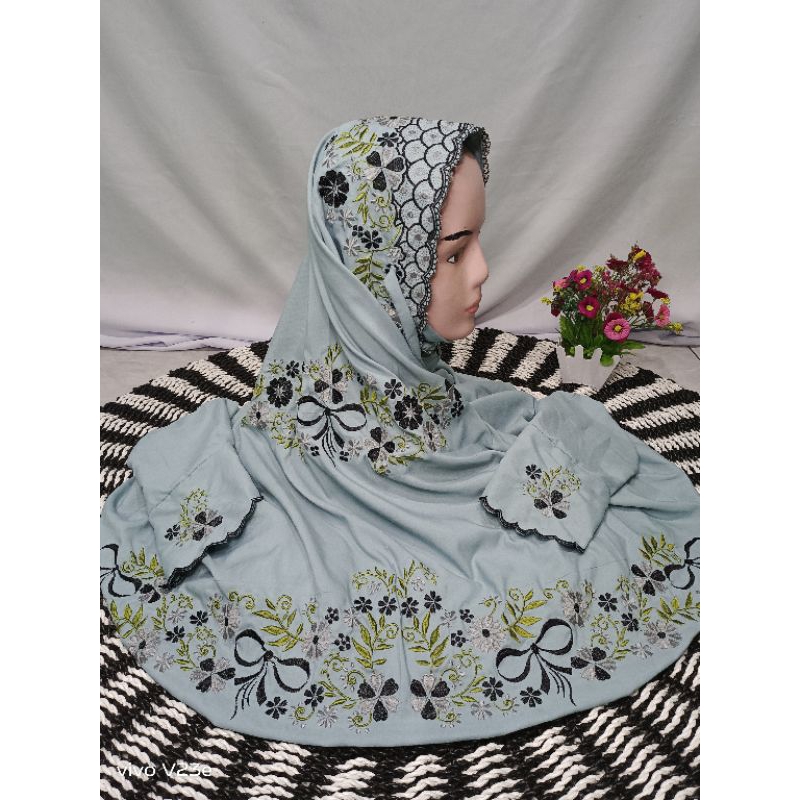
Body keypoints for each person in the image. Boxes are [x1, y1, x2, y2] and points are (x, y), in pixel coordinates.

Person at [100, 115, 700, 748]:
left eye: (476, 243)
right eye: (452, 254)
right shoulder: (302, 426)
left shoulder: (445, 402)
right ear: (372, 272)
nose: (483, 271)